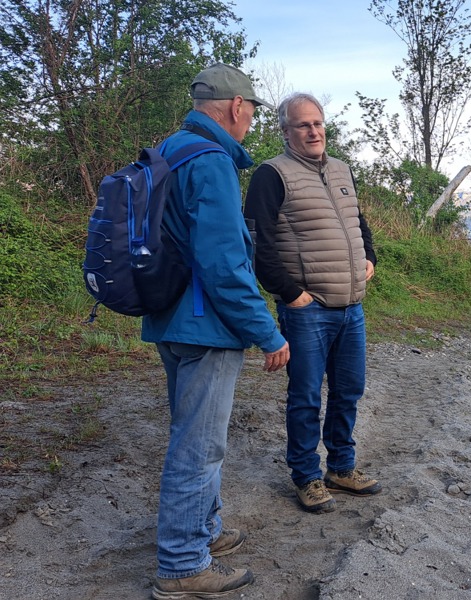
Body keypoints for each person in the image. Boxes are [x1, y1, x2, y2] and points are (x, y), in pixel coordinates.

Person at [144, 64, 290, 599]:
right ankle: (183, 565)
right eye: (251, 112)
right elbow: (225, 264)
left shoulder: (172, 148)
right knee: (199, 446)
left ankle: (201, 532)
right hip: (205, 325)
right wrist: (267, 332)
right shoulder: (211, 162)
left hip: (168, 316)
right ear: (236, 108)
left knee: (193, 435)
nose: (250, 122)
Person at [244, 93, 382, 516]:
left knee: (348, 391)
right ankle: (306, 475)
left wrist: (369, 257)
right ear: (285, 131)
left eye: (318, 123)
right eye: (303, 125)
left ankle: (341, 467)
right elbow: (257, 244)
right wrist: (291, 294)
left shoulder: (341, 169)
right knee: (305, 396)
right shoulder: (271, 175)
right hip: (308, 309)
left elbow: (357, 220)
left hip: (351, 305)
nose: (313, 131)